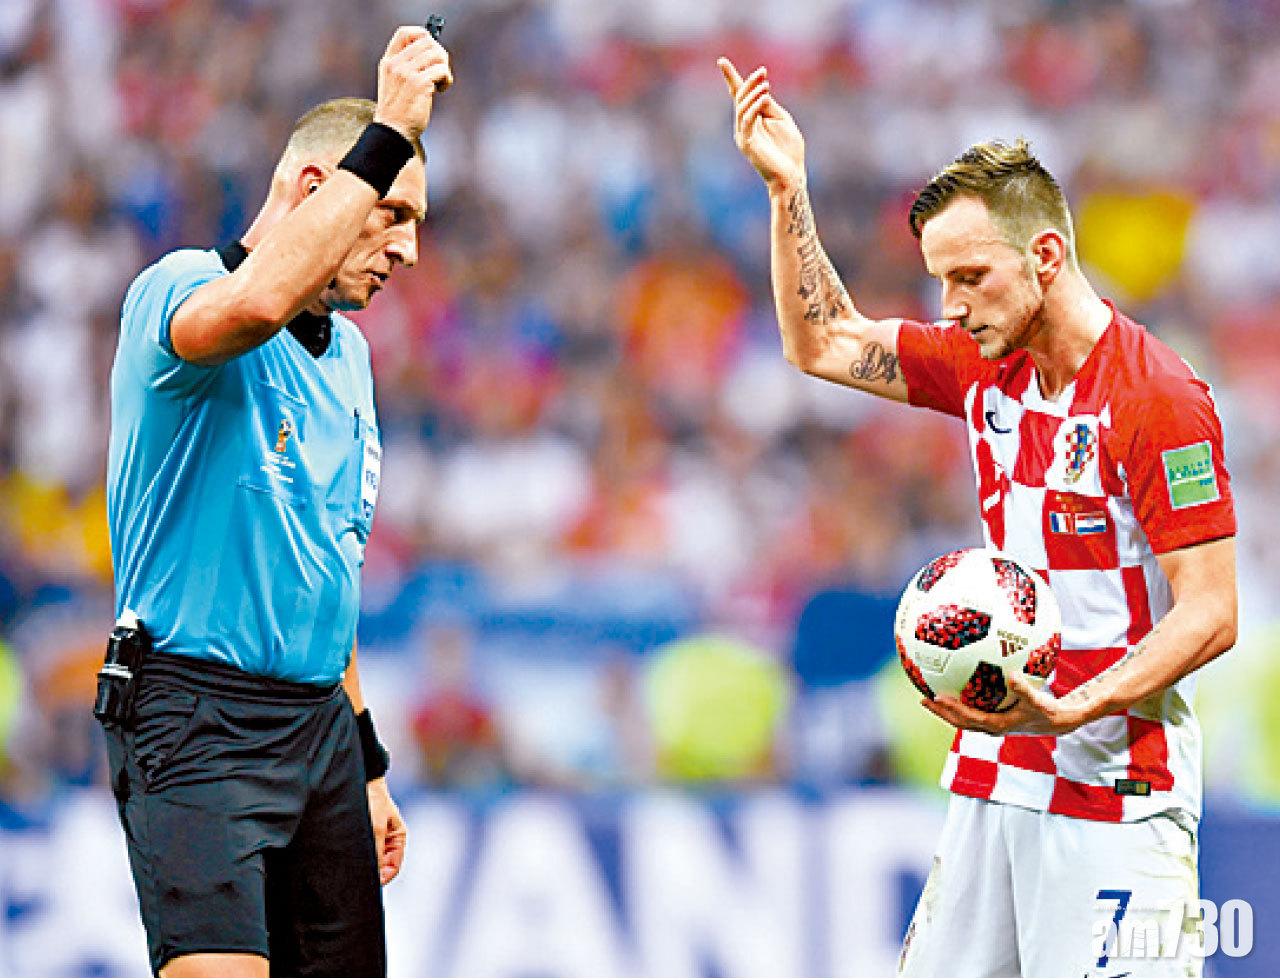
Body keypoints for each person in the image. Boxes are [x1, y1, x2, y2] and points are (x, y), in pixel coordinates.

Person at [719, 58, 1238, 978]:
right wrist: (787, 190)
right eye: (939, 281)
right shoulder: (980, 363)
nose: (950, 307)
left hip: (1117, 796)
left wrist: (1077, 706)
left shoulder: (1158, 397)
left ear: (1046, 256)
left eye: (969, 276)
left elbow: (1212, 609)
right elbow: (823, 341)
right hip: (992, 784)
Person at [100, 25, 452, 979]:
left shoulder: (353, 358)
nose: (409, 249)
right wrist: (390, 129)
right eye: (392, 213)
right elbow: (254, 307)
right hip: (197, 715)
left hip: (318, 730)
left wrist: (366, 760)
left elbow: (328, 567)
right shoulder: (178, 288)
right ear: (314, 189)